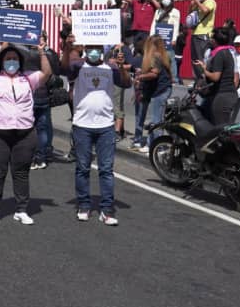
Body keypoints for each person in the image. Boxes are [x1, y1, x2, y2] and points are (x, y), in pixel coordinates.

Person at [0, 39, 51, 225]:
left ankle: (21, 210)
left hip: (24, 134)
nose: (12, 61)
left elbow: (47, 73)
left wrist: (41, 52)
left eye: (15, 59)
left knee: (21, 173)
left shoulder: (28, 78)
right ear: (1, 61)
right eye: (8, 58)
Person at [68, 43, 131, 225]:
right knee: (82, 168)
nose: (94, 52)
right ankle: (84, 205)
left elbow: (126, 83)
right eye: (91, 48)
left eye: (97, 48)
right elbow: (64, 67)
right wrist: (67, 48)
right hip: (82, 125)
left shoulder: (110, 67)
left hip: (105, 126)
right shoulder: (79, 66)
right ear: (86, 49)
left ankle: (107, 210)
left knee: (106, 170)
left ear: (102, 50)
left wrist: (120, 66)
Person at [133, 35, 173, 153]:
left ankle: (158, 147)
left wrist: (140, 76)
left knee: (157, 120)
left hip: (161, 91)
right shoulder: (163, 56)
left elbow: (154, 74)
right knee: (155, 119)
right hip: (161, 90)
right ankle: (152, 144)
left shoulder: (156, 56)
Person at [193, 26, 237, 126]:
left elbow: (216, 77)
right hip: (226, 94)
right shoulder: (228, 52)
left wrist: (204, 70)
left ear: (216, 41)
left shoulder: (220, 54)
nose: (210, 40)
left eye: (212, 38)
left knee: (220, 127)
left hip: (223, 96)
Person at [30, 31, 62, 169]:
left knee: (33, 128)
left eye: (41, 39)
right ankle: (42, 155)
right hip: (44, 94)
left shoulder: (31, 56)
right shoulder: (49, 55)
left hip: (34, 95)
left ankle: (36, 156)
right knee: (43, 127)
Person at [188, 0, 217, 76]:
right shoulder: (198, 3)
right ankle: (197, 79)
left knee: (201, 58)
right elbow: (190, 13)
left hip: (204, 34)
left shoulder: (210, 1)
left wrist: (198, 2)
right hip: (195, 33)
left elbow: (205, 10)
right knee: (195, 59)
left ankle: (203, 78)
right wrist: (192, 5)